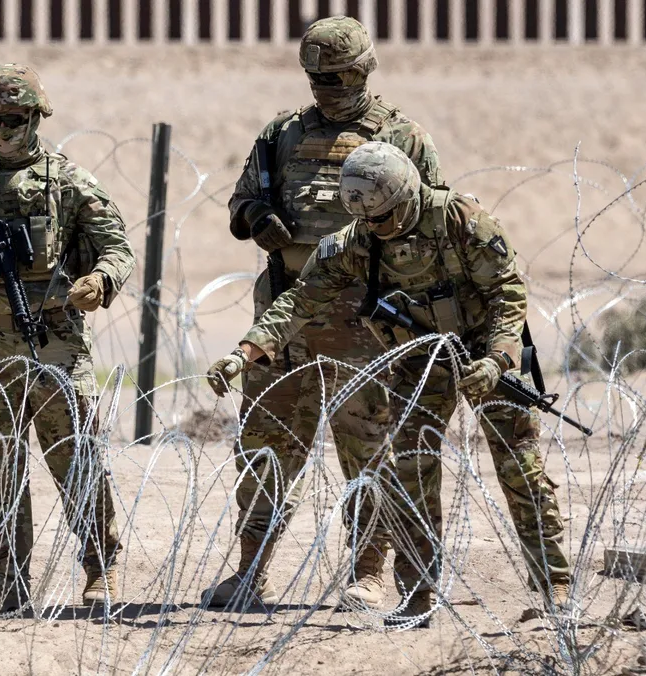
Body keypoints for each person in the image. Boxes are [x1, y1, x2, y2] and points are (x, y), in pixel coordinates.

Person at [208, 141, 572, 627]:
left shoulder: (461, 221)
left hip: (487, 353)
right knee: (411, 473)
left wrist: (499, 359)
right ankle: (418, 593)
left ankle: (553, 587)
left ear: (406, 196)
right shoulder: (356, 241)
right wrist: (245, 352)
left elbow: (506, 292)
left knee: (519, 468)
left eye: (383, 217)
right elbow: (300, 302)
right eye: (367, 219)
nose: (376, 227)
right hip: (421, 361)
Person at [215, 15, 443, 611]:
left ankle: (368, 572)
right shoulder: (282, 135)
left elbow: (431, 223)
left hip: (362, 320)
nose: (326, 88)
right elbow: (241, 199)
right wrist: (256, 218)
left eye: (338, 77)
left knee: (366, 450)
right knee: (264, 446)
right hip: (285, 316)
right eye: (317, 78)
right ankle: (250, 570)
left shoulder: (401, 138)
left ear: (364, 71)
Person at [0, 63, 135, 613]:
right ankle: (6, 577)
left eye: (14, 118)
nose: (3, 129)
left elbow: (117, 247)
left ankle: (101, 566)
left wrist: (100, 281)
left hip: (55, 339)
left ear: (37, 117)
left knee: (75, 460)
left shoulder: (70, 183)